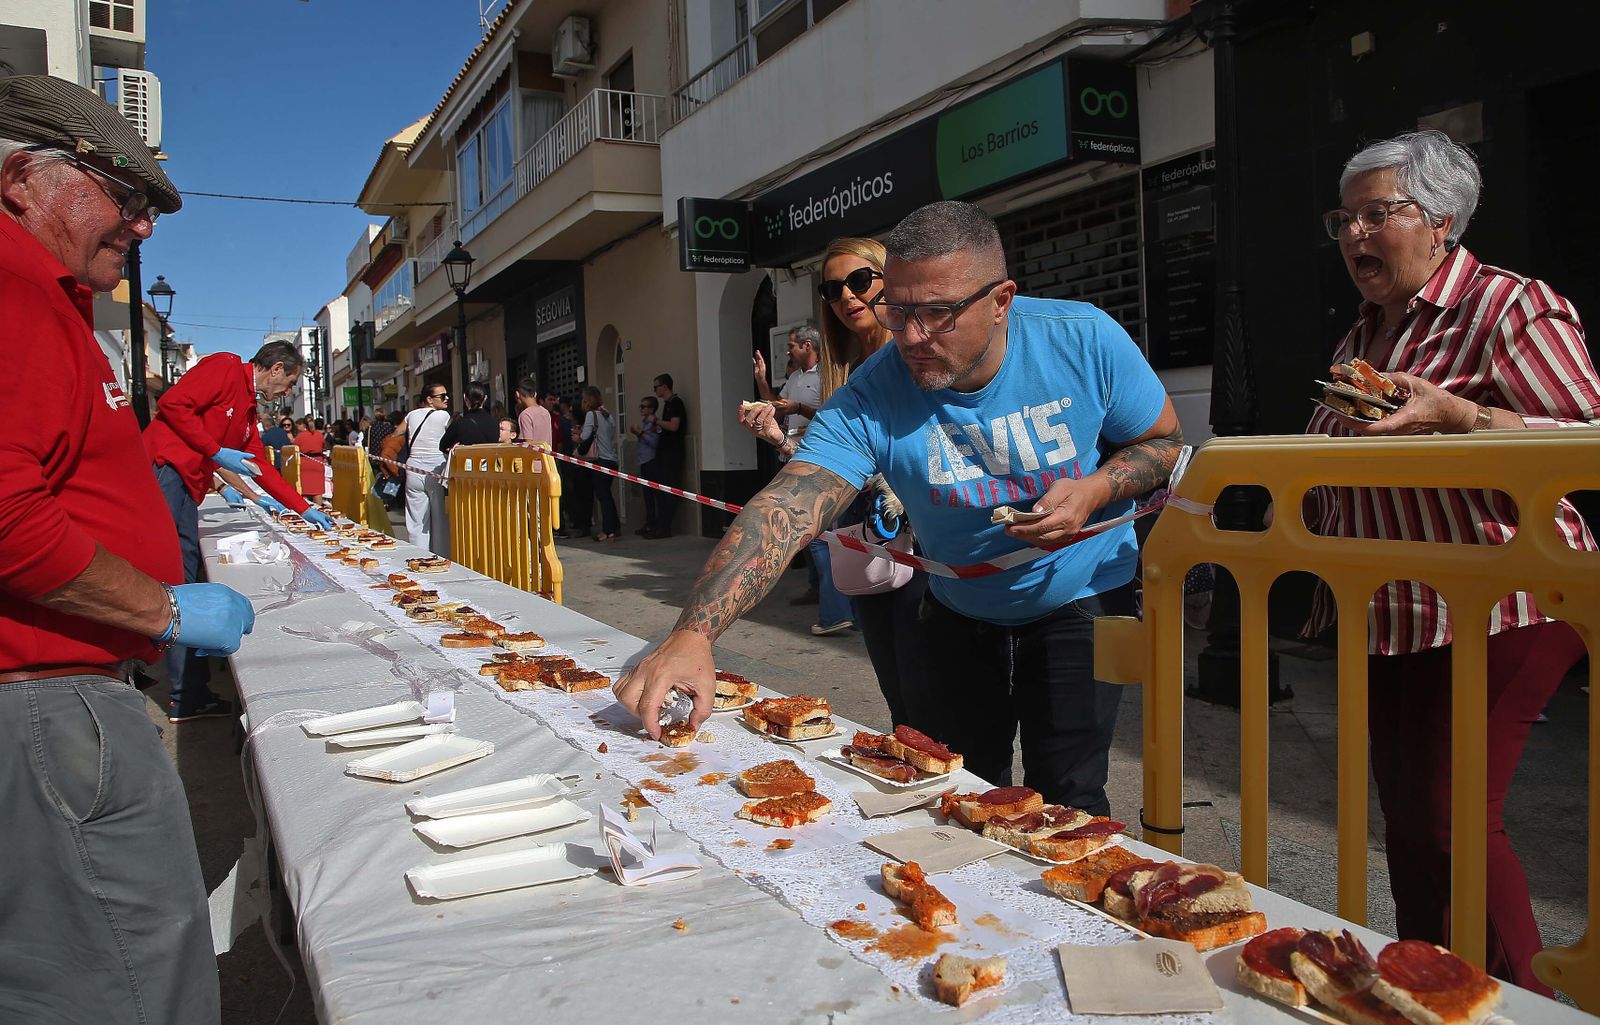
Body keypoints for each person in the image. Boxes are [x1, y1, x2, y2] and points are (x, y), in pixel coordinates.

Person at [621, 201, 1182, 817]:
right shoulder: (874, 390)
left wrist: (1095, 489)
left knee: (1070, 795)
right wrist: (692, 634)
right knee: (959, 791)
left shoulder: (1082, 337)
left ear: (1001, 301)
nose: (912, 337)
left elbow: (1160, 441)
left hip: (1083, 597)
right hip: (957, 608)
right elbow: (787, 507)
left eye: (938, 314)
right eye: (900, 310)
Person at [1305, 130, 1600, 992]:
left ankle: (1524, 1009)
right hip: (1394, 611)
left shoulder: (1510, 307)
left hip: (1506, 601)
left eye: (1377, 215)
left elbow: (1589, 439)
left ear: (1442, 223)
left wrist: (1463, 416)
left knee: (1452, 821)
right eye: (1344, 219)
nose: (1356, 235)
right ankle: (1432, 992)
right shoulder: (1362, 333)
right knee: (1411, 825)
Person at [0, 74, 258, 1023]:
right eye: (126, 195)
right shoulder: (12, 292)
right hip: (42, 702)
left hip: (60, 691)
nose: (142, 227)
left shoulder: (47, 295)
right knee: (133, 976)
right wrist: (161, 606)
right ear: (26, 177)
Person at [740, 239, 929, 719]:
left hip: (929, 539)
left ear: (891, 279)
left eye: (860, 281)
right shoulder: (843, 375)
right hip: (869, 534)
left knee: (927, 686)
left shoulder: (921, 354)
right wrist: (780, 440)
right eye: (832, 288)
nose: (847, 296)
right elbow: (836, 465)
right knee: (897, 688)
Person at [144, 339, 330, 720]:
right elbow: (172, 405)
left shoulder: (248, 409)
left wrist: (301, 507)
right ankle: (183, 693)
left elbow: (259, 464)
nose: (288, 393)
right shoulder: (225, 367)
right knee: (177, 578)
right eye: (290, 383)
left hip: (185, 483)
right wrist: (213, 451)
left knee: (187, 574)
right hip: (166, 472)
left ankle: (191, 688)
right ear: (276, 368)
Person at [397, 383, 452, 554]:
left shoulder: (411, 415)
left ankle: (418, 555)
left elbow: (397, 433)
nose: (447, 398)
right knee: (439, 518)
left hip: (413, 467)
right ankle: (441, 556)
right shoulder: (443, 416)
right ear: (429, 400)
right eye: (442, 396)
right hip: (436, 467)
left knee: (416, 519)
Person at [643, 373, 687, 538]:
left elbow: (674, 426)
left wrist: (656, 421)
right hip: (665, 453)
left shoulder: (676, 403)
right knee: (662, 492)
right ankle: (660, 525)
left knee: (669, 491)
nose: (654, 390)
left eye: (656, 386)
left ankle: (664, 528)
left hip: (673, 454)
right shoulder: (667, 404)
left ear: (664, 386)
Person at [577, 385, 621, 542]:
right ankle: (615, 526)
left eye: (583, 400)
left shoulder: (591, 415)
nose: (582, 403)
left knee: (603, 496)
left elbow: (585, 435)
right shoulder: (607, 415)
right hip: (612, 459)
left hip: (601, 459)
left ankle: (607, 530)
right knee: (607, 494)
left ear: (588, 401)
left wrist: (577, 437)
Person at [631, 394, 662, 533]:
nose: (641, 409)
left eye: (644, 406)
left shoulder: (654, 423)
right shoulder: (644, 422)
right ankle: (649, 523)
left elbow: (655, 442)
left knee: (652, 495)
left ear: (651, 409)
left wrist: (641, 433)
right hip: (644, 460)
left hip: (651, 461)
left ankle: (654, 524)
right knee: (647, 495)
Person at [441, 382, 497, 449]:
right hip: (489, 459)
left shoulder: (459, 424)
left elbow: (443, 446)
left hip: (467, 459)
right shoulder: (495, 422)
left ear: (465, 397)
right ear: (485, 398)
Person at [515, 375, 553, 451]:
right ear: (535, 393)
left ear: (517, 394)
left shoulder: (525, 415)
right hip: (547, 460)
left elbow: (529, 444)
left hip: (533, 461)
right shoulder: (545, 412)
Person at [294, 415, 327, 502]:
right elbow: (323, 446)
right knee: (317, 491)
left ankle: (307, 512)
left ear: (304, 424)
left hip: (304, 463)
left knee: (305, 491)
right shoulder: (319, 435)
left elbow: (294, 448)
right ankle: (319, 511)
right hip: (317, 463)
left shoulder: (300, 436)